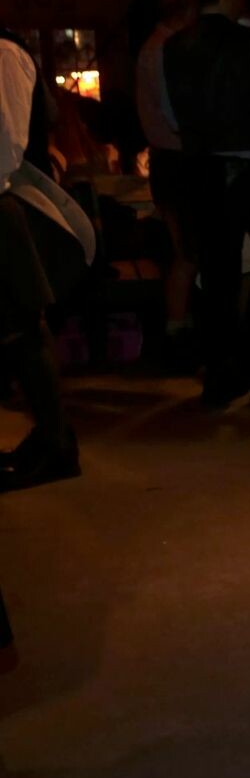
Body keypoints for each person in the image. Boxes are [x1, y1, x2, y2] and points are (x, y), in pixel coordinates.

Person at [161, 0, 250, 407]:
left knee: (216, 274)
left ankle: (218, 371)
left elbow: (173, 116)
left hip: (199, 168)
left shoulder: (172, 47)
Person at [0, 30, 95, 492]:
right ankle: (50, 437)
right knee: (18, 329)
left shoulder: (4, 54)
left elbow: (7, 148)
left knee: (21, 327)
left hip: (7, 205)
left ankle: (56, 443)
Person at [136, 0, 200, 370]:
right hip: (174, 159)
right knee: (186, 252)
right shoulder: (163, 50)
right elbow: (172, 110)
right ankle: (177, 333)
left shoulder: (153, 47)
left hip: (167, 158)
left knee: (184, 251)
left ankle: (179, 329)